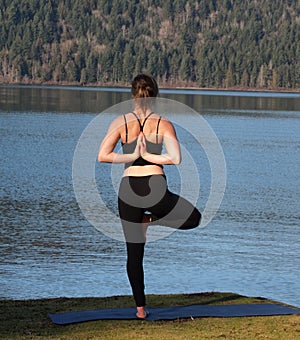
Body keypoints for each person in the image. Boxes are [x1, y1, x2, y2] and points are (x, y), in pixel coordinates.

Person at [98, 74, 201, 319]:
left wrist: (130, 157)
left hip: (128, 189)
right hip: (155, 187)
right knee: (193, 218)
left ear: (133, 95)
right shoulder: (163, 124)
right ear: (155, 95)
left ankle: (140, 309)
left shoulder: (120, 122)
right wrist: (151, 156)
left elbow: (103, 155)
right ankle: (150, 221)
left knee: (134, 253)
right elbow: (175, 159)